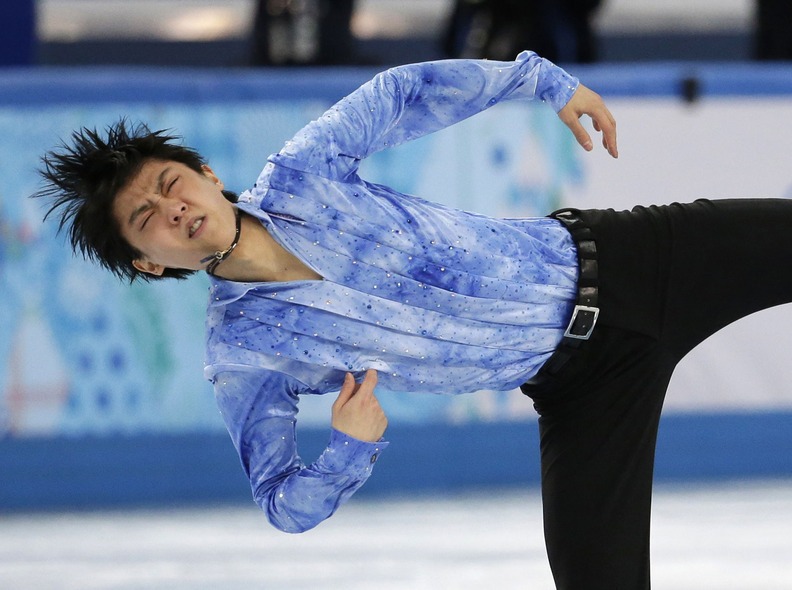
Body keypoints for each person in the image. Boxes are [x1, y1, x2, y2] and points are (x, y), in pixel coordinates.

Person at [34, 50, 792, 590]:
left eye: (170, 184)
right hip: (585, 392)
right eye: (146, 219)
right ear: (148, 263)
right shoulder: (242, 352)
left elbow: (403, 92)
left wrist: (539, 78)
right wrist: (348, 449)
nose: (172, 209)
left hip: (636, 259)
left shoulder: (302, 174)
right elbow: (280, 503)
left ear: (205, 173)